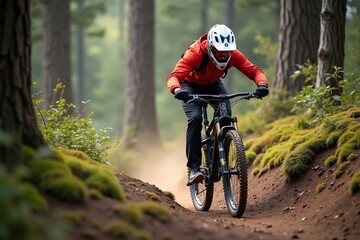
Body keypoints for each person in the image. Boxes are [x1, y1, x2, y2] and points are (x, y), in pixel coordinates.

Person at [166, 24, 269, 184]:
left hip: (213, 84)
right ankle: (194, 167)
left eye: (227, 52)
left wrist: (262, 84)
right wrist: (177, 90)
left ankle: (219, 154)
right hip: (189, 86)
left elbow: (254, 71)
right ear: (211, 48)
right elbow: (174, 76)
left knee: (226, 114)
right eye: (221, 52)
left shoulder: (233, 55)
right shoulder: (195, 54)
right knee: (196, 118)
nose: (224, 56)